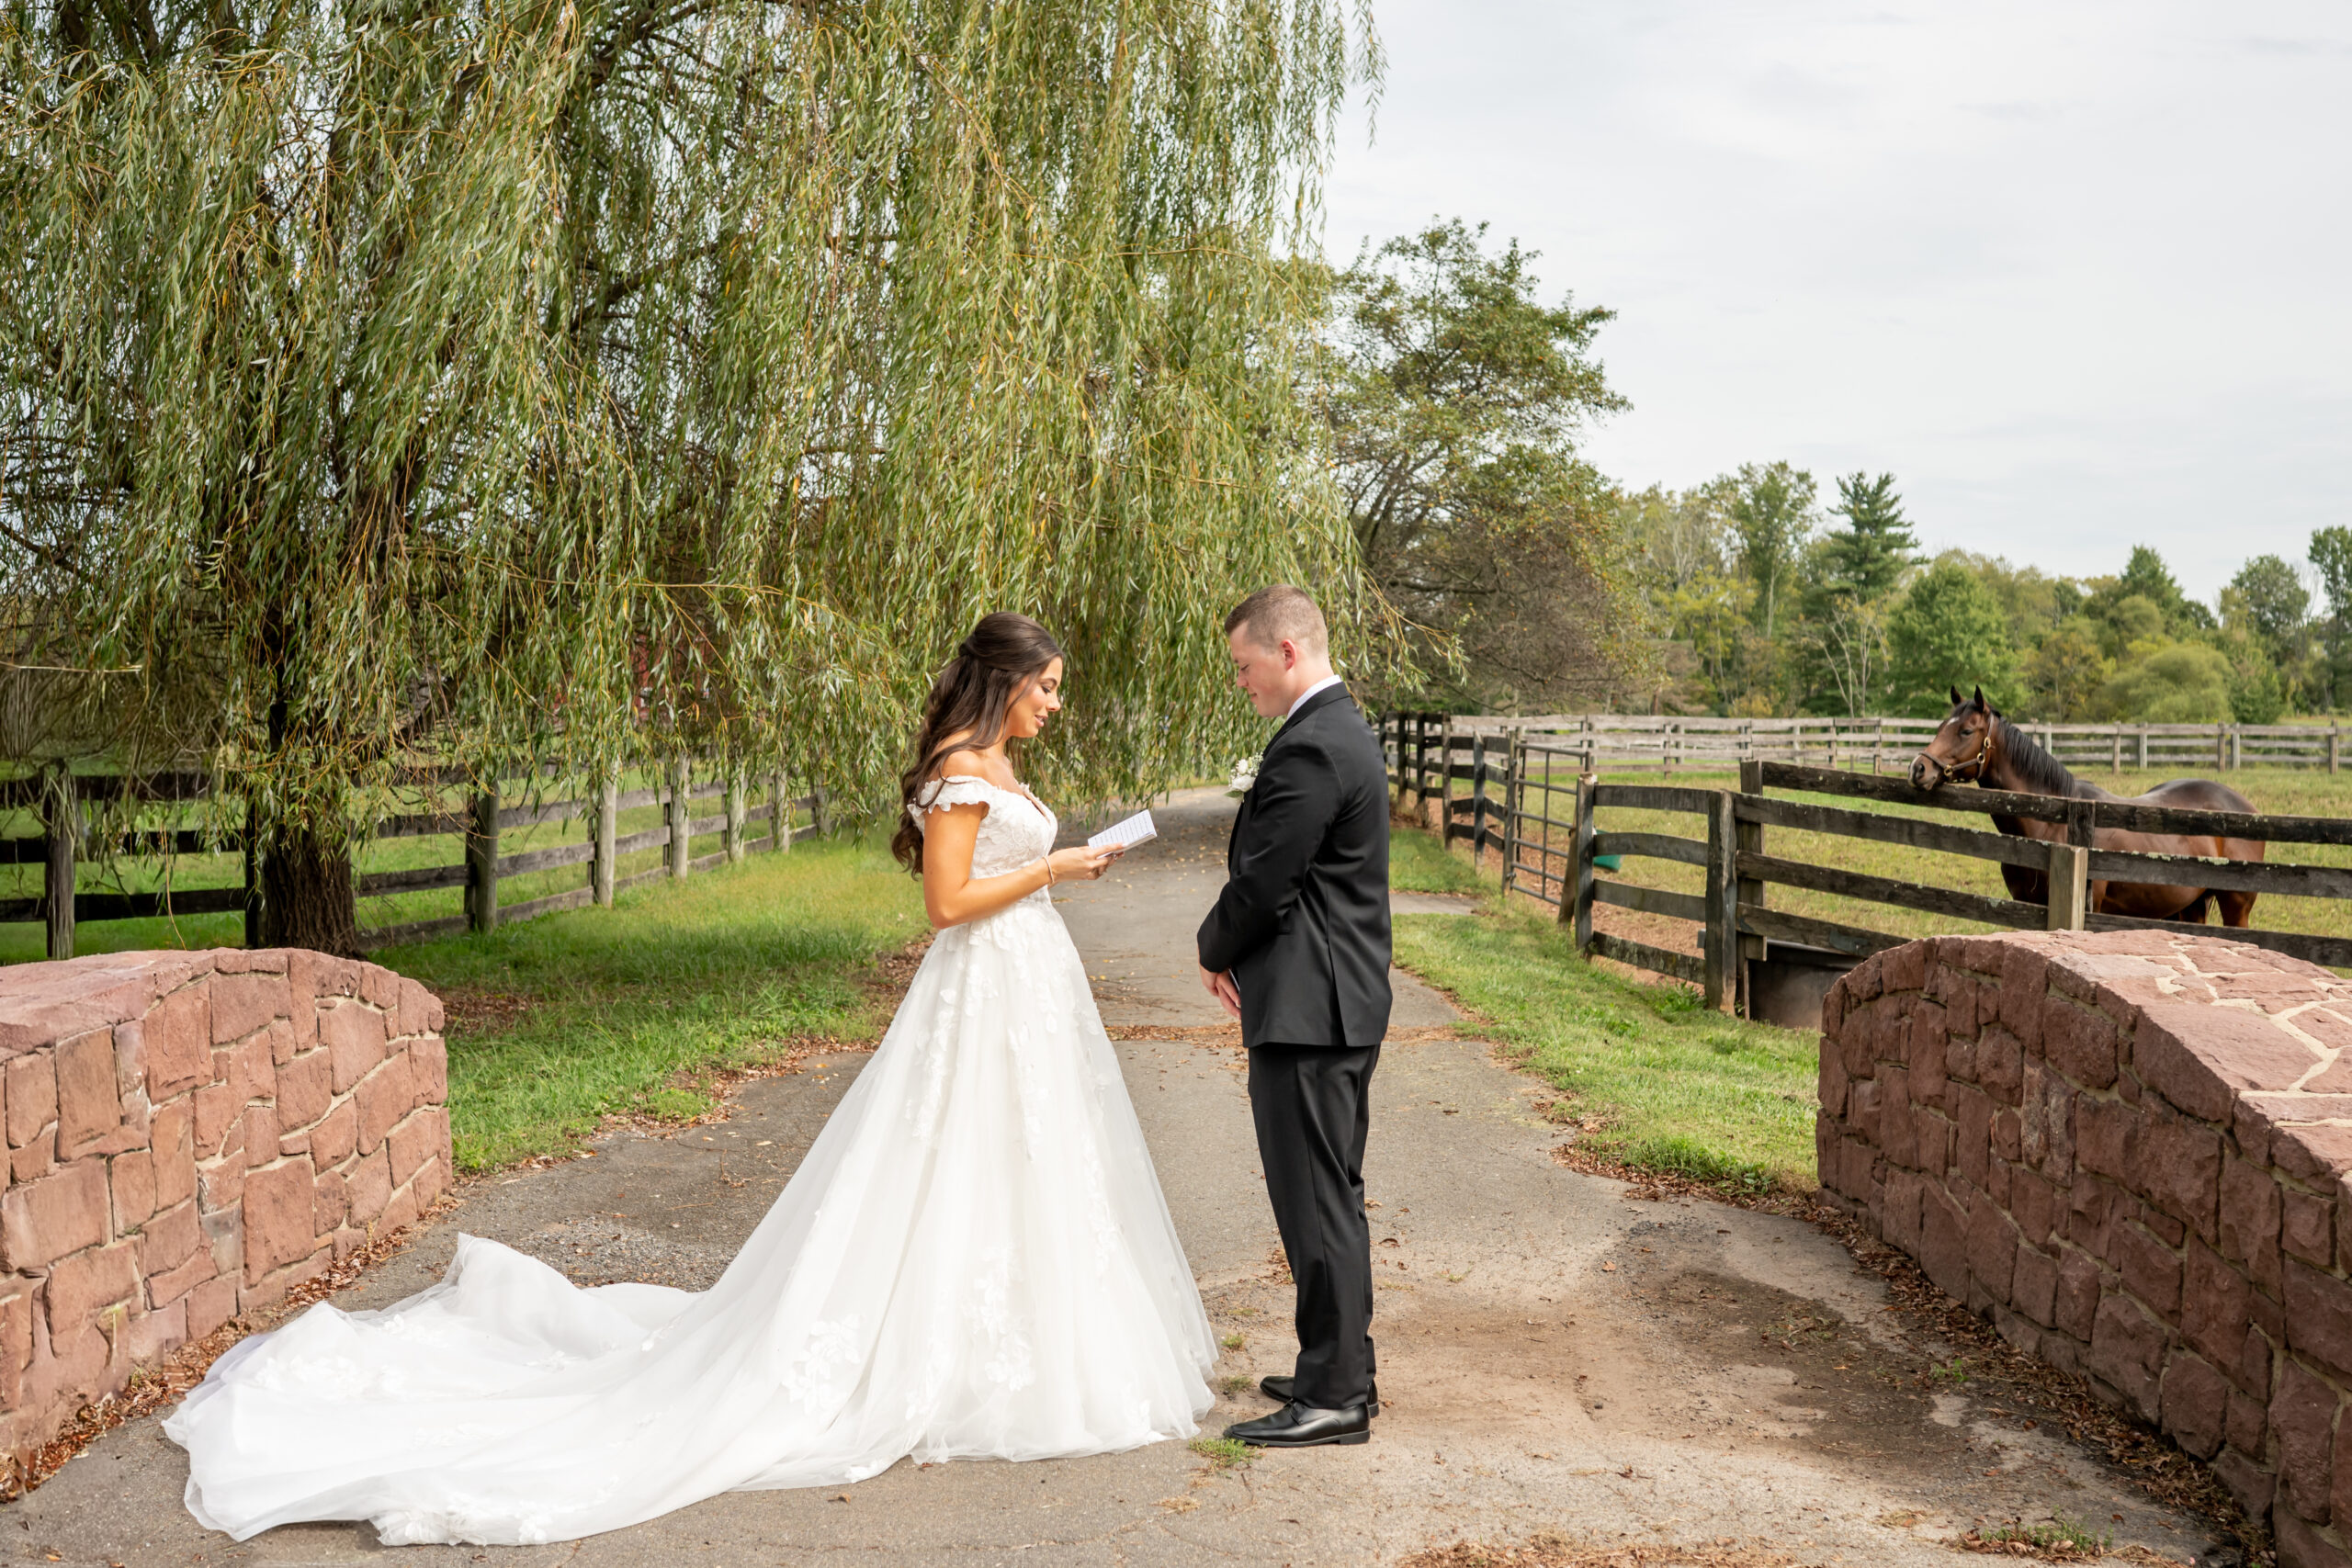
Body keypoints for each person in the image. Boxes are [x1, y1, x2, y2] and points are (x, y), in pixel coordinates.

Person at [164, 612, 1216, 1546]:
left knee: (1024, 1161)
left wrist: (1056, 871)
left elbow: (997, 882)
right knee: (947, 1159)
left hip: (1028, 986)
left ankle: (1024, 1347)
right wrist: (1056, 868)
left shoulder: (1000, 765)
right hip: (980, 984)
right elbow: (946, 904)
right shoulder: (956, 766)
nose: (1055, 703)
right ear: (1003, 681)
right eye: (1046, 686)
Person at [1196, 584, 1391, 1449]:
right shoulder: (1334, 729)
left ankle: (1336, 1392)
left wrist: (1212, 946)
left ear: (1286, 652)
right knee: (1329, 1194)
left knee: (1315, 1200)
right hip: (1329, 1003)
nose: (1240, 682)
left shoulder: (1315, 745)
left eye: (1243, 666)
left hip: (1312, 1011)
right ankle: (1339, 1363)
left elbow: (1267, 881)